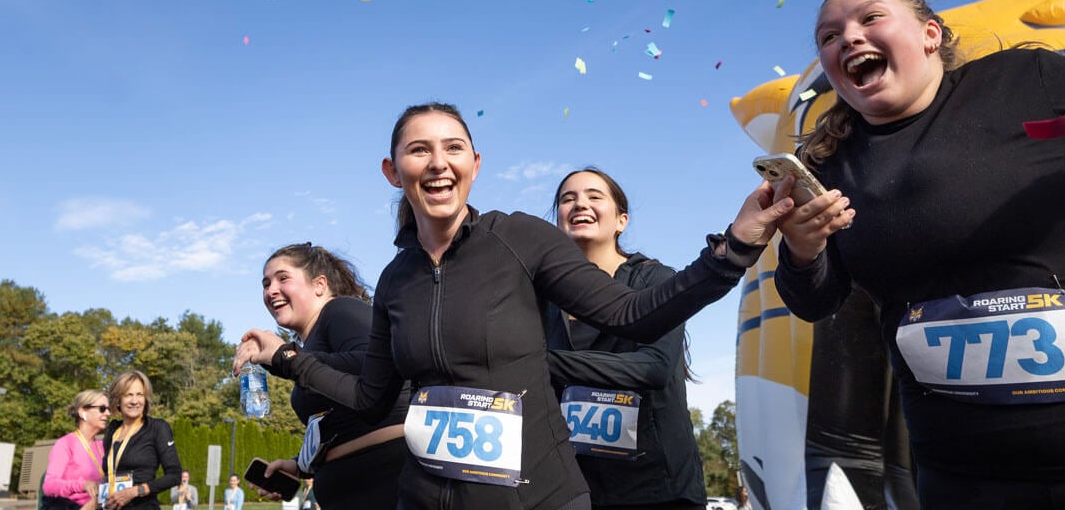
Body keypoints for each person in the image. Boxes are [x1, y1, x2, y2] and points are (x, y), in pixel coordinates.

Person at [234, 101, 795, 510]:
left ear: (475, 164)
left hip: (538, 496)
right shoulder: (396, 280)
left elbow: (634, 314)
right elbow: (367, 393)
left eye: (453, 148)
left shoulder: (520, 239)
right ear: (392, 170)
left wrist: (734, 249)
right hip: (426, 498)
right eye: (418, 150)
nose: (437, 163)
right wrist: (285, 359)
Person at [773, 0, 1065, 508]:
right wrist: (802, 252)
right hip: (961, 472)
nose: (848, 38)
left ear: (929, 33)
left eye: (870, 19)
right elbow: (816, 301)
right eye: (829, 36)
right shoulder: (829, 164)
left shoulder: (1028, 81)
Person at [544, 168, 706, 510]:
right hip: (576, 487)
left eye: (593, 196)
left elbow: (654, 367)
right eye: (567, 199)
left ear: (621, 220)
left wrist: (540, 362)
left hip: (657, 490)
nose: (579, 204)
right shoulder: (540, 297)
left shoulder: (656, 280)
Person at [250, 243, 409, 509]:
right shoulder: (310, 344)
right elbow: (339, 423)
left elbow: (377, 363)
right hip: (346, 492)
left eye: (283, 278)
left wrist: (288, 358)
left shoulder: (340, 310)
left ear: (320, 285)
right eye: (265, 284)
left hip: (385, 482)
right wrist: (299, 466)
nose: (271, 290)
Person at [100, 370, 184, 510]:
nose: (134, 401)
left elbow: (175, 475)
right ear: (118, 400)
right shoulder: (112, 430)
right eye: (128, 395)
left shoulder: (157, 428)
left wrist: (135, 491)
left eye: (140, 395)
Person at [42, 390, 110, 510]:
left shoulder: (103, 446)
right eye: (102, 408)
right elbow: (49, 486)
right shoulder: (65, 444)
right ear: (83, 411)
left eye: (108, 409)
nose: (108, 413)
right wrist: (83, 485)